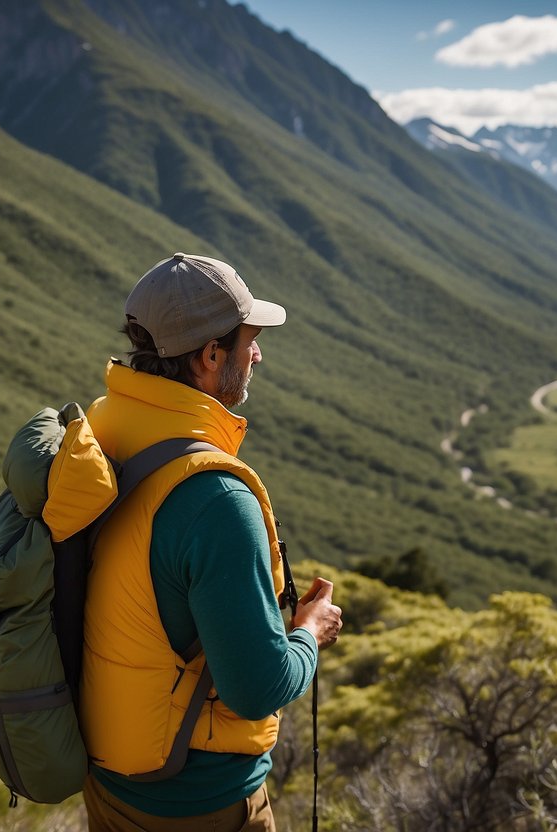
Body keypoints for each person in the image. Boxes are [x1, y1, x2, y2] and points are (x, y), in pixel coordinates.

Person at [75, 252, 343, 831]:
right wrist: (308, 633)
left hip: (108, 780)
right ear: (210, 355)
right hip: (200, 801)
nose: (258, 354)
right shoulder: (216, 501)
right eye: (249, 339)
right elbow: (257, 688)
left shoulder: (104, 428)